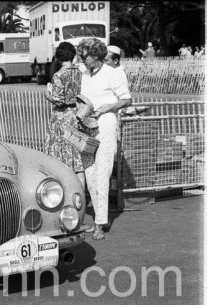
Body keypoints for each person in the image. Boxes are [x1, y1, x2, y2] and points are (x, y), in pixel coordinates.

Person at [77, 38, 132, 240]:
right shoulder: (85, 74)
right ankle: (101, 218)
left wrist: (110, 107)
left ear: (97, 55)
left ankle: (100, 224)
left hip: (106, 124)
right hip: (87, 125)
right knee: (90, 173)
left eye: (86, 57)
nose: (83, 61)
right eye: (81, 57)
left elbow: (126, 99)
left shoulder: (113, 73)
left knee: (102, 173)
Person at [43, 42, 85, 189]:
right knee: (77, 160)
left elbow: (58, 100)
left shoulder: (59, 75)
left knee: (61, 158)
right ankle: (82, 196)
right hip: (77, 114)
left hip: (62, 117)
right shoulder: (80, 72)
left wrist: (47, 94)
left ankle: (67, 192)